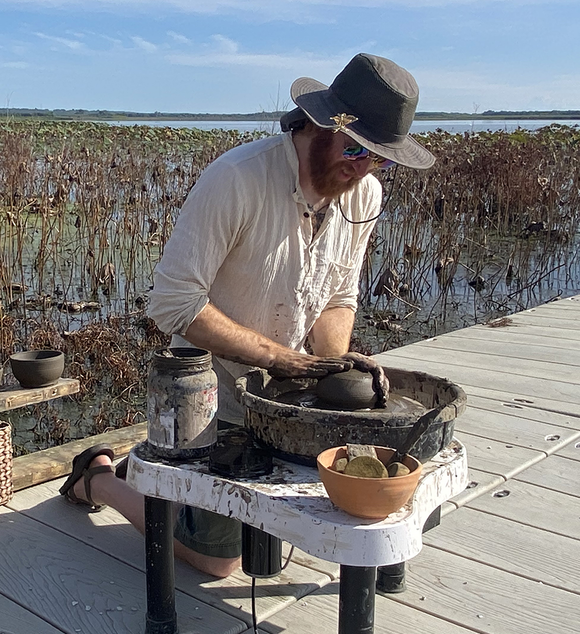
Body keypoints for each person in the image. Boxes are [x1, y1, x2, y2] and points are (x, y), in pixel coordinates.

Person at [59, 53, 436, 578]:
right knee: (220, 562)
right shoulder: (237, 179)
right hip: (209, 384)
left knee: (351, 501)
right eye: (355, 148)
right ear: (321, 124)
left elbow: (338, 297)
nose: (363, 167)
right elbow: (173, 302)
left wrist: (330, 376)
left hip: (286, 388)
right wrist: (279, 359)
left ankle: (156, 477)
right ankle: (97, 477)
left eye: (379, 158)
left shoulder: (365, 192)